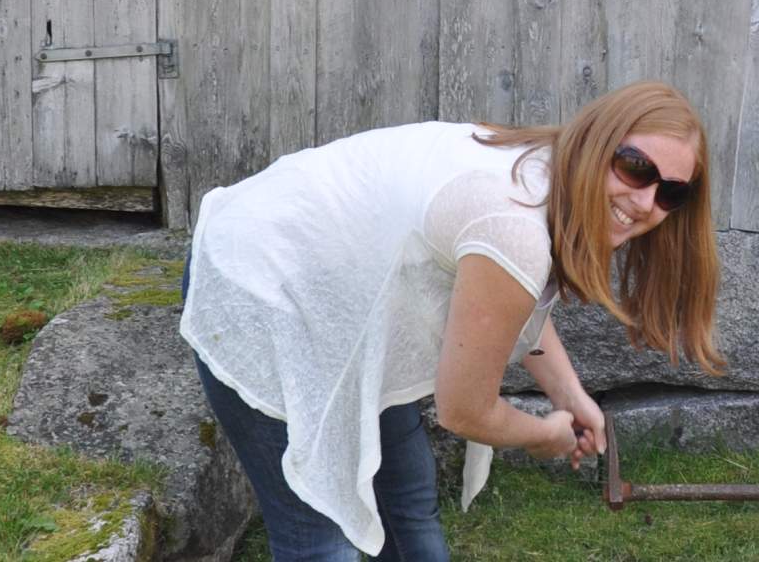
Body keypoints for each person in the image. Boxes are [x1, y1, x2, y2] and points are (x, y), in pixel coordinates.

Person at [179, 80, 724, 561]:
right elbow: (465, 411)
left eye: (671, 191)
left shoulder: (551, 171)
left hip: (344, 301)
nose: (646, 199)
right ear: (598, 141)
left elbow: (509, 299)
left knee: (407, 496)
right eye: (635, 166)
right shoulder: (511, 215)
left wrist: (570, 395)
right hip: (260, 281)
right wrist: (541, 435)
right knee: (321, 538)